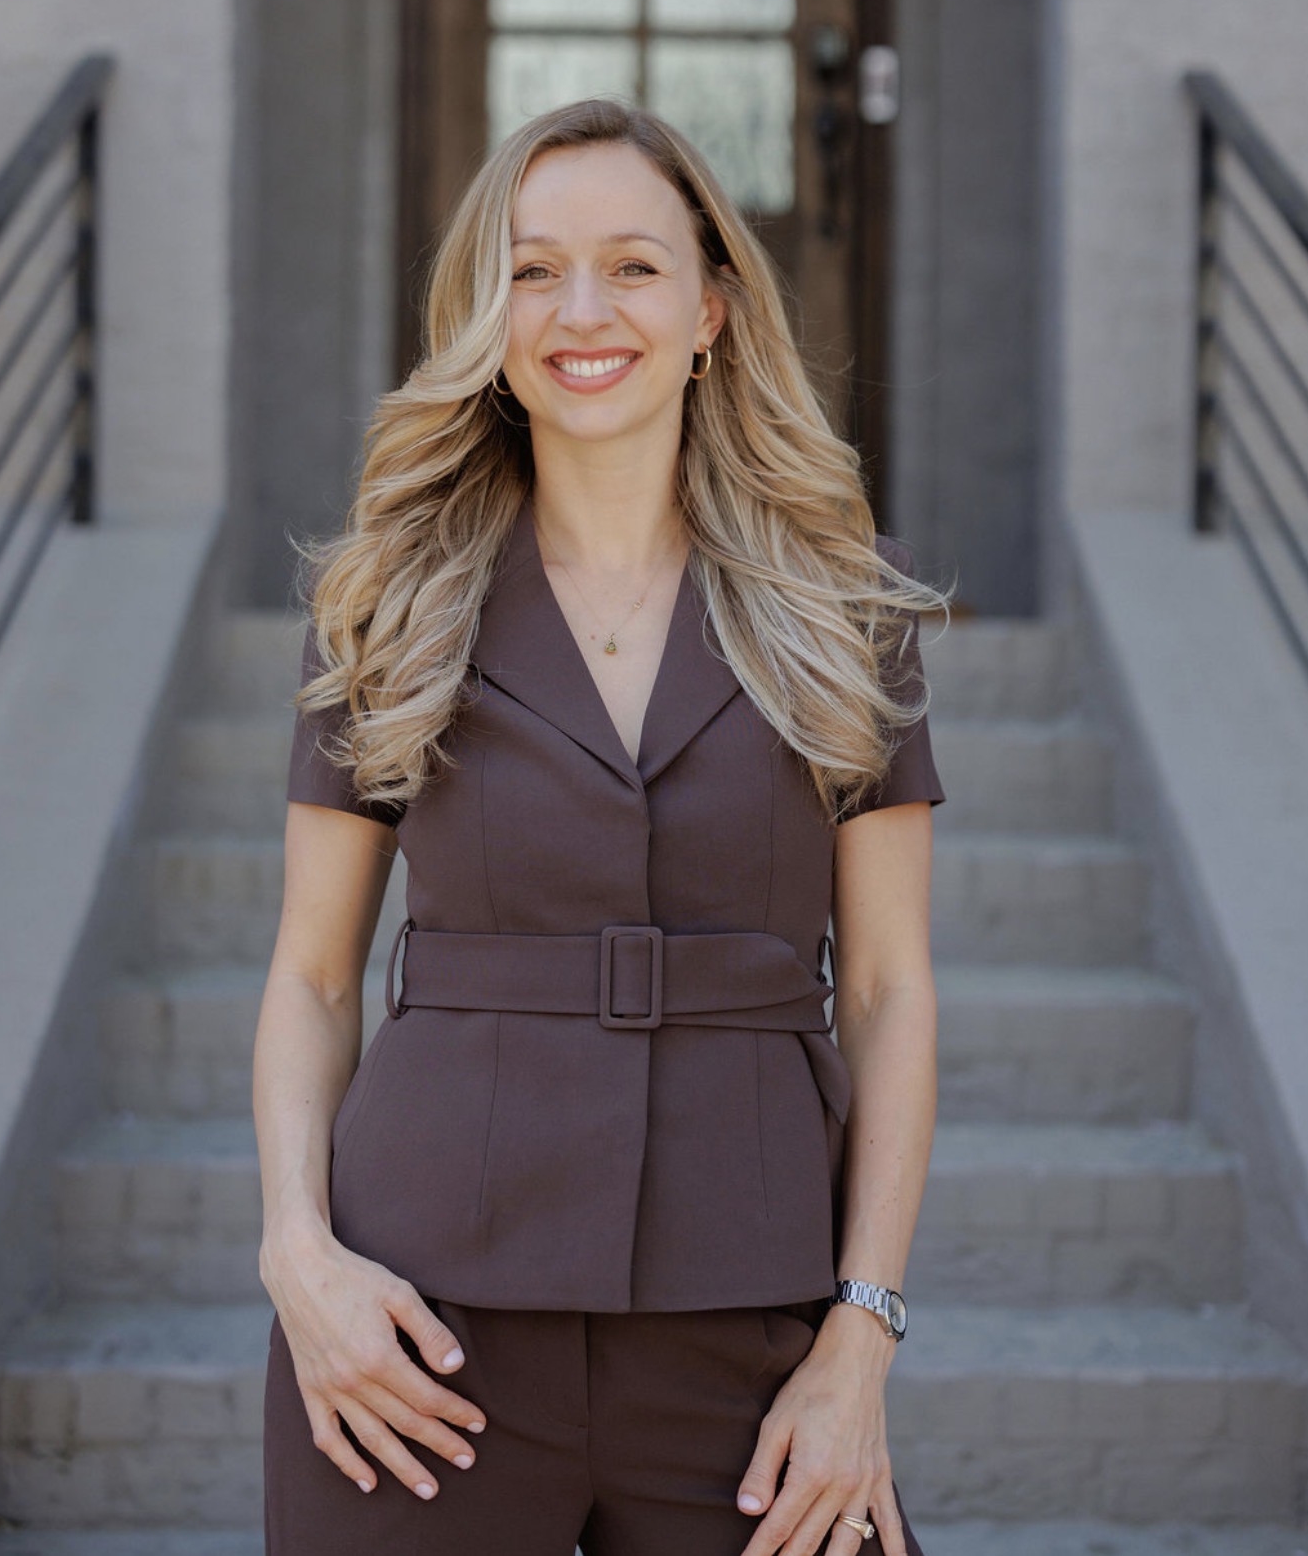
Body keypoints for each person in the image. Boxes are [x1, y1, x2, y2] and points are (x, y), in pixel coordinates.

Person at [253, 97, 949, 1556]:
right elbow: (314, 980)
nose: (584, 311)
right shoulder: (387, 597)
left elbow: (888, 991)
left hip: (755, 1338)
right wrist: (298, 1257)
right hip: (418, 1326)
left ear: (710, 306)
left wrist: (862, 1336)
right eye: (534, 268)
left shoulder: (846, 604)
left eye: (633, 267)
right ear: (487, 314)